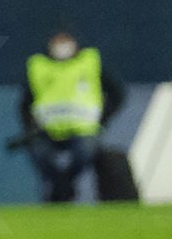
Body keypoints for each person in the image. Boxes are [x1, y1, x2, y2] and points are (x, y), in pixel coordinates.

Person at [19, 31, 127, 203]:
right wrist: (29, 129)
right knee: (38, 153)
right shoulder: (39, 68)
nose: (62, 48)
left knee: (85, 151)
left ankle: (62, 188)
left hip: (84, 130)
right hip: (48, 132)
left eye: (66, 43)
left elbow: (117, 95)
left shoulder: (89, 65)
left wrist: (102, 121)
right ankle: (62, 187)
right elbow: (25, 105)